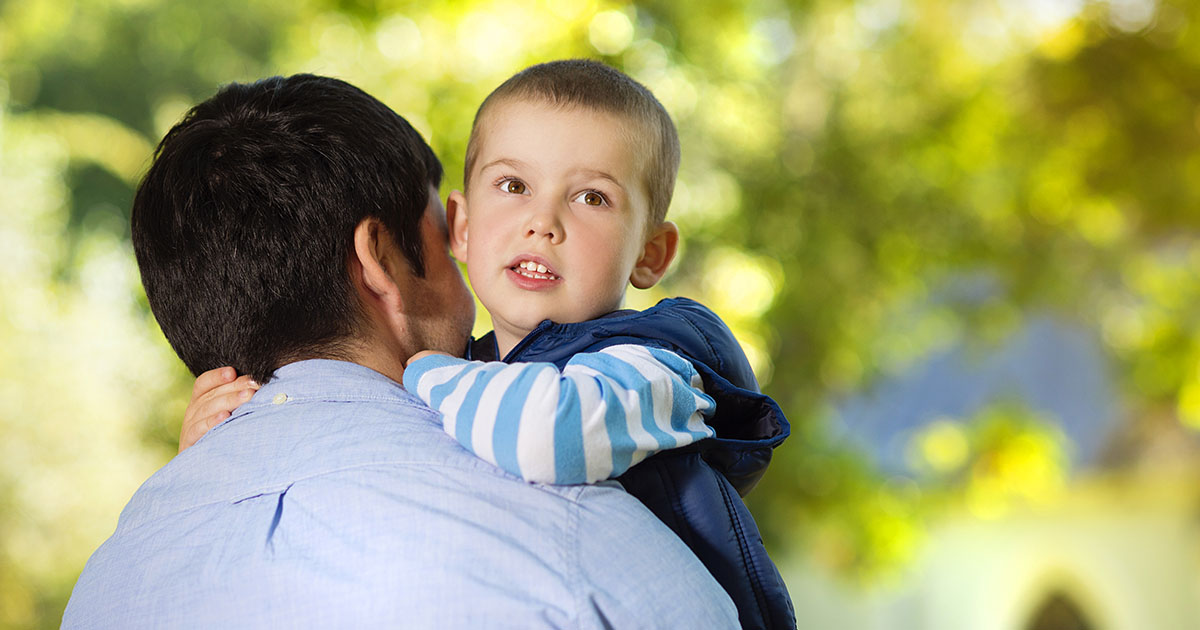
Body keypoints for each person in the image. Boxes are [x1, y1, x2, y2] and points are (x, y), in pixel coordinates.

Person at [61, 73, 738, 629]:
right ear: (381, 260)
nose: (542, 224)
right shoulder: (580, 538)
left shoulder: (109, 577)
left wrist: (206, 462)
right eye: (447, 233)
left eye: (592, 197)